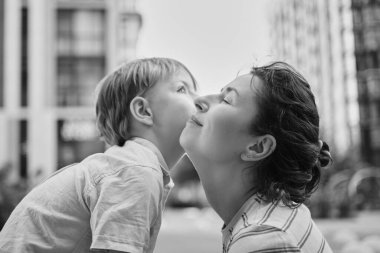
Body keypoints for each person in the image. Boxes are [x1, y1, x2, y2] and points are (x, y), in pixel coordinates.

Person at [0, 57, 198, 253]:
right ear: (143, 110)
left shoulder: (133, 166)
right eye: (183, 89)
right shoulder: (136, 170)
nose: (200, 100)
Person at [180, 61, 333, 253]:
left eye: (227, 100)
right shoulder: (272, 219)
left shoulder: (265, 237)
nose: (199, 100)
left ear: (258, 147)